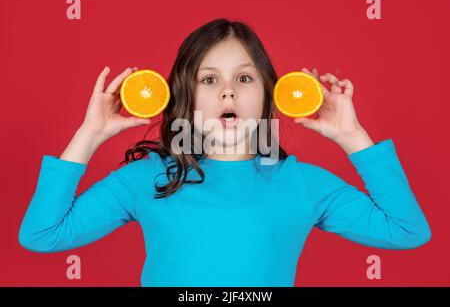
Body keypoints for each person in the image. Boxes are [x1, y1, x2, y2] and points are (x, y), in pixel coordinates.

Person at [18, 18, 431, 287]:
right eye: (210, 79)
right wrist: (89, 134)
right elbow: (42, 235)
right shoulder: (149, 177)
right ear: (187, 94)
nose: (228, 90)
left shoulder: (303, 183)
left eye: (245, 77)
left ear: (268, 92)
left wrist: (352, 136)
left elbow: (407, 231)